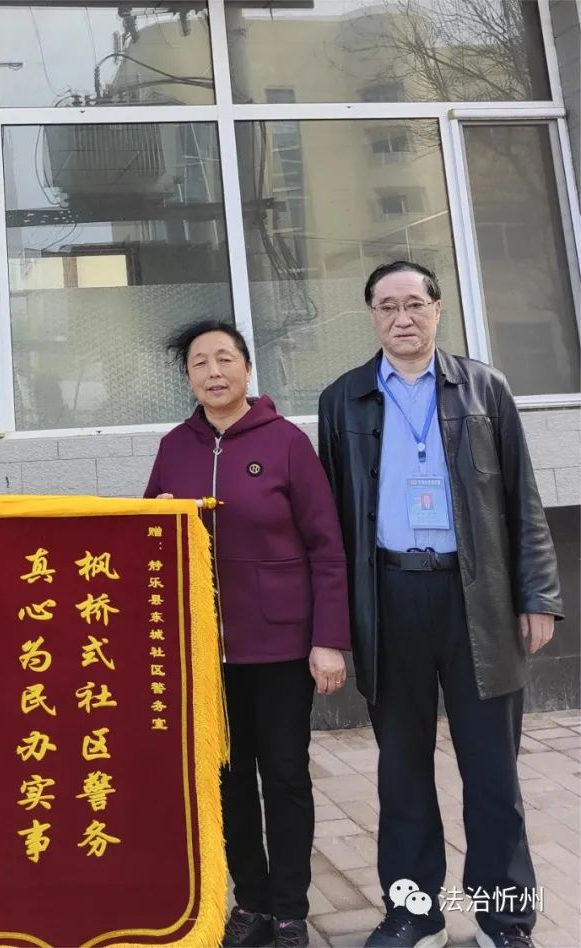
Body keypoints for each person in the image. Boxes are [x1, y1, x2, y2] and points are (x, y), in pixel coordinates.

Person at [317, 261, 562, 948]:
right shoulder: (343, 400)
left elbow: (522, 497)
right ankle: (414, 912)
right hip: (389, 597)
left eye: (413, 303)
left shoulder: (485, 388)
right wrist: (332, 622)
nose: (402, 318)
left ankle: (503, 918)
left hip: (477, 598)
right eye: (386, 306)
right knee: (402, 772)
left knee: (492, 773)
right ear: (371, 315)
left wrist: (538, 594)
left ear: (438, 308)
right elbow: (330, 522)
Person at [145, 319, 350, 948]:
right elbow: (146, 537)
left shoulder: (287, 443)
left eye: (224, 359)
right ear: (187, 377)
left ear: (247, 368)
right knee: (228, 779)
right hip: (204, 650)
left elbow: (327, 546)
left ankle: (289, 909)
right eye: (199, 363)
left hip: (281, 645)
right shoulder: (174, 448)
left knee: (284, 775)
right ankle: (252, 903)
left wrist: (328, 638)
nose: (213, 372)